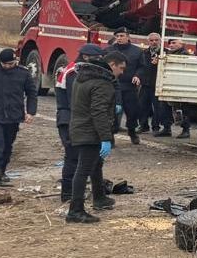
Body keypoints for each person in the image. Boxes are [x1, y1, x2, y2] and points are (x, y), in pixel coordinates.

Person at [67, 50, 126, 223]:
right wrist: (105, 138)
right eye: (121, 68)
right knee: (84, 169)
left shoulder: (83, 77)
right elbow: (98, 112)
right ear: (112, 65)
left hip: (80, 127)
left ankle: (99, 197)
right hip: (89, 131)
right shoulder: (102, 84)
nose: (122, 73)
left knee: (95, 165)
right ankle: (75, 210)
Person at [55, 44, 106, 202]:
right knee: (73, 157)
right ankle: (68, 194)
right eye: (97, 58)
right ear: (85, 57)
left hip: (73, 117)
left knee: (84, 159)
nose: (99, 61)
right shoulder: (74, 73)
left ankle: (79, 193)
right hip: (70, 118)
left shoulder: (76, 70)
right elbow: (76, 101)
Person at [0, 48, 38, 185]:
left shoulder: (23, 74)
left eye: (11, 63)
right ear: (0, 62)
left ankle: (2, 170)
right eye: (5, 64)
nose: (8, 66)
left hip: (14, 115)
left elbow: (31, 93)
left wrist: (31, 112)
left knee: (8, 144)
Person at [108, 29, 147, 144]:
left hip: (129, 86)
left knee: (132, 111)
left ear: (128, 37)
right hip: (112, 85)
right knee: (112, 111)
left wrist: (137, 76)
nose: (119, 38)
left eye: (122, 35)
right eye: (117, 36)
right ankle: (111, 135)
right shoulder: (109, 50)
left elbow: (142, 67)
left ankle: (132, 132)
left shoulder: (137, 51)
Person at [140, 31, 166, 136]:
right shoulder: (144, 53)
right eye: (151, 40)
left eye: (156, 40)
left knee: (158, 107)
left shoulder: (165, 53)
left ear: (160, 41)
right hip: (145, 84)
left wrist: (159, 62)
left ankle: (156, 127)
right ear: (148, 42)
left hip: (158, 84)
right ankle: (143, 126)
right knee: (142, 106)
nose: (154, 42)